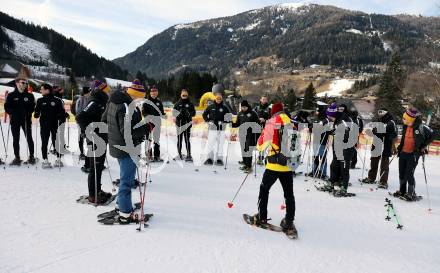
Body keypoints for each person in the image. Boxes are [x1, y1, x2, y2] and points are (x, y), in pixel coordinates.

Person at [102, 81, 151, 223]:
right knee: (127, 181)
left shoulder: (116, 100)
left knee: (125, 177)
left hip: (119, 146)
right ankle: (124, 212)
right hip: (126, 148)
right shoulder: (125, 106)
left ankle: (121, 204)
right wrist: (147, 127)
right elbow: (128, 132)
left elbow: (104, 119)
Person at [248, 102, 297, 235]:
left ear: (273, 112)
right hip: (287, 165)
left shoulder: (271, 122)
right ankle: (289, 221)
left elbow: (261, 145)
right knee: (289, 194)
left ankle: (262, 216)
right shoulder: (291, 122)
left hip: (273, 165)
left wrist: (261, 144)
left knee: (264, 190)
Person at [76, 81, 111, 204]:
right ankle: (92, 195)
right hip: (94, 139)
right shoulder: (95, 101)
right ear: (103, 90)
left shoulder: (102, 101)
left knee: (99, 166)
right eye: (107, 89)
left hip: (101, 137)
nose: (109, 91)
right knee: (94, 167)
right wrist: (87, 133)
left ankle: (98, 190)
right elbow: (80, 117)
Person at [393, 108, 434, 201]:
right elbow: (404, 139)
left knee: (409, 174)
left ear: (411, 118)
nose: (403, 120)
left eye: (405, 119)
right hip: (403, 152)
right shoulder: (405, 126)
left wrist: (423, 146)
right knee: (402, 173)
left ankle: (411, 193)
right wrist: (399, 148)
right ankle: (402, 191)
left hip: (413, 154)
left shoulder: (421, 126)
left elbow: (432, 135)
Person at [321, 103, 356, 197]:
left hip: (347, 148)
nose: (329, 118)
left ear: (333, 115)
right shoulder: (337, 119)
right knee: (334, 166)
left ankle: (344, 188)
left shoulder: (344, 120)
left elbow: (348, 133)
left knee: (344, 168)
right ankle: (331, 184)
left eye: (329, 116)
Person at [361, 108, 397, 189]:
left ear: (386, 113)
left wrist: (392, 145)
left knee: (384, 164)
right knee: (373, 161)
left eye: (382, 112)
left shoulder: (391, 122)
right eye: (379, 112)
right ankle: (371, 178)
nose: (380, 113)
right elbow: (374, 130)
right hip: (376, 144)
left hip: (386, 144)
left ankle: (383, 181)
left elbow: (394, 134)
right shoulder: (377, 120)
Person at [4, 75, 36, 165]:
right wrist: (12, 112)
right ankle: (17, 158)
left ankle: (32, 157)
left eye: (26, 83)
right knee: (16, 139)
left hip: (26, 120)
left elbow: (33, 106)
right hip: (15, 120)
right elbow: (6, 107)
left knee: (29, 137)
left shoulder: (29, 95)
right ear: (17, 83)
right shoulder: (11, 95)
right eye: (23, 82)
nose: (25, 84)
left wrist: (28, 112)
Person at [33, 84, 67, 168]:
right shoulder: (40, 100)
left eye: (42, 89)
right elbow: (36, 112)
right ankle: (45, 160)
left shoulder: (57, 100)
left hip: (55, 124)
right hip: (44, 124)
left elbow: (62, 112)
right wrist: (36, 114)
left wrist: (60, 115)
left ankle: (58, 159)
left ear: (47, 90)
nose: (40, 91)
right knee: (44, 141)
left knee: (56, 141)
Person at [202, 84, 231, 166]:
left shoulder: (225, 108)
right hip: (212, 128)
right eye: (217, 98)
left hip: (221, 129)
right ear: (215, 98)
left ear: (221, 99)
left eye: (220, 98)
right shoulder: (210, 107)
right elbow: (204, 115)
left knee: (220, 144)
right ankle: (209, 159)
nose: (218, 99)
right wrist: (208, 121)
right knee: (210, 143)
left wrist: (224, 121)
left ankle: (219, 159)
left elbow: (229, 118)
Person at [232, 100, 259, 173]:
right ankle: (245, 163)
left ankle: (249, 166)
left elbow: (258, 124)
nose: (243, 108)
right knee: (243, 150)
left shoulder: (253, 113)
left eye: (244, 107)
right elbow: (237, 123)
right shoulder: (240, 114)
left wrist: (256, 135)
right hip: (242, 135)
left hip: (250, 135)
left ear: (247, 106)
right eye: (242, 107)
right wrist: (231, 124)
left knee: (248, 151)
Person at [142, 85, 165, 162]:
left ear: (157, 93)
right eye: (152, 92)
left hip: (157, 123)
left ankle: (157, 156)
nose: (154, 93)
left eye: (155, 92)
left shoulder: (159, 102)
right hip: (149, 123)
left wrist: (164, 115)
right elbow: (144, 112)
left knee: (156, 140)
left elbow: (161, 112)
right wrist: (148, 117)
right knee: (149, 139)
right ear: (150, 93)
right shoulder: (146, 102)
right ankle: (149, 156)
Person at [173, 89, 196, 161]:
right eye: (183, 95)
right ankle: (179, 154)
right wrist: (178, 114)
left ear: (187, 95)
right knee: (179, 140)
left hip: (187, 124)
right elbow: (174, 113)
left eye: (185, 95)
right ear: (181, 95)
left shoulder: (190, 104)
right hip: (179, 124)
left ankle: (189, 155)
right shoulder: (177, 104)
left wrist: (189, 114)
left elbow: (194, 113)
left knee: (187, 139)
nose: (184, 96)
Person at [311, 107, 331, 179]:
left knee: (318, 157)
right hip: (320, 141)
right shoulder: (325, 120)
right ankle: (320, 172)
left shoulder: (321, 120)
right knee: (320, 157)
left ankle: (317, 171)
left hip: (319, 141)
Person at [254, 95, 271, 165]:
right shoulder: (256, 108)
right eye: (263, 99)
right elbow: (253, 117)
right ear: (260, 100)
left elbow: (271, 118)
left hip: (266, 128)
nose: (264, 100)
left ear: (267, 101)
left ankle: (262, 157)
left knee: (265, 142)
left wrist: (265, 120)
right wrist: (258, 120)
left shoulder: (269, 108)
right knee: (258, 142)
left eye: (265, 99)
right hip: (257, 127)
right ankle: (259, 156)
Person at [76, 86, 91, 160]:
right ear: (86, 92)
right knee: (81, 137)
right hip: (81, 122)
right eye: (89, 91)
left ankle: (89, 153)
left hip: (89, 122)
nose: (90, 93)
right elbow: (78, 112)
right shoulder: (80, 100)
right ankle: (82, 153)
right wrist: (80, 122)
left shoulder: (91, 99)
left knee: (89, 137)